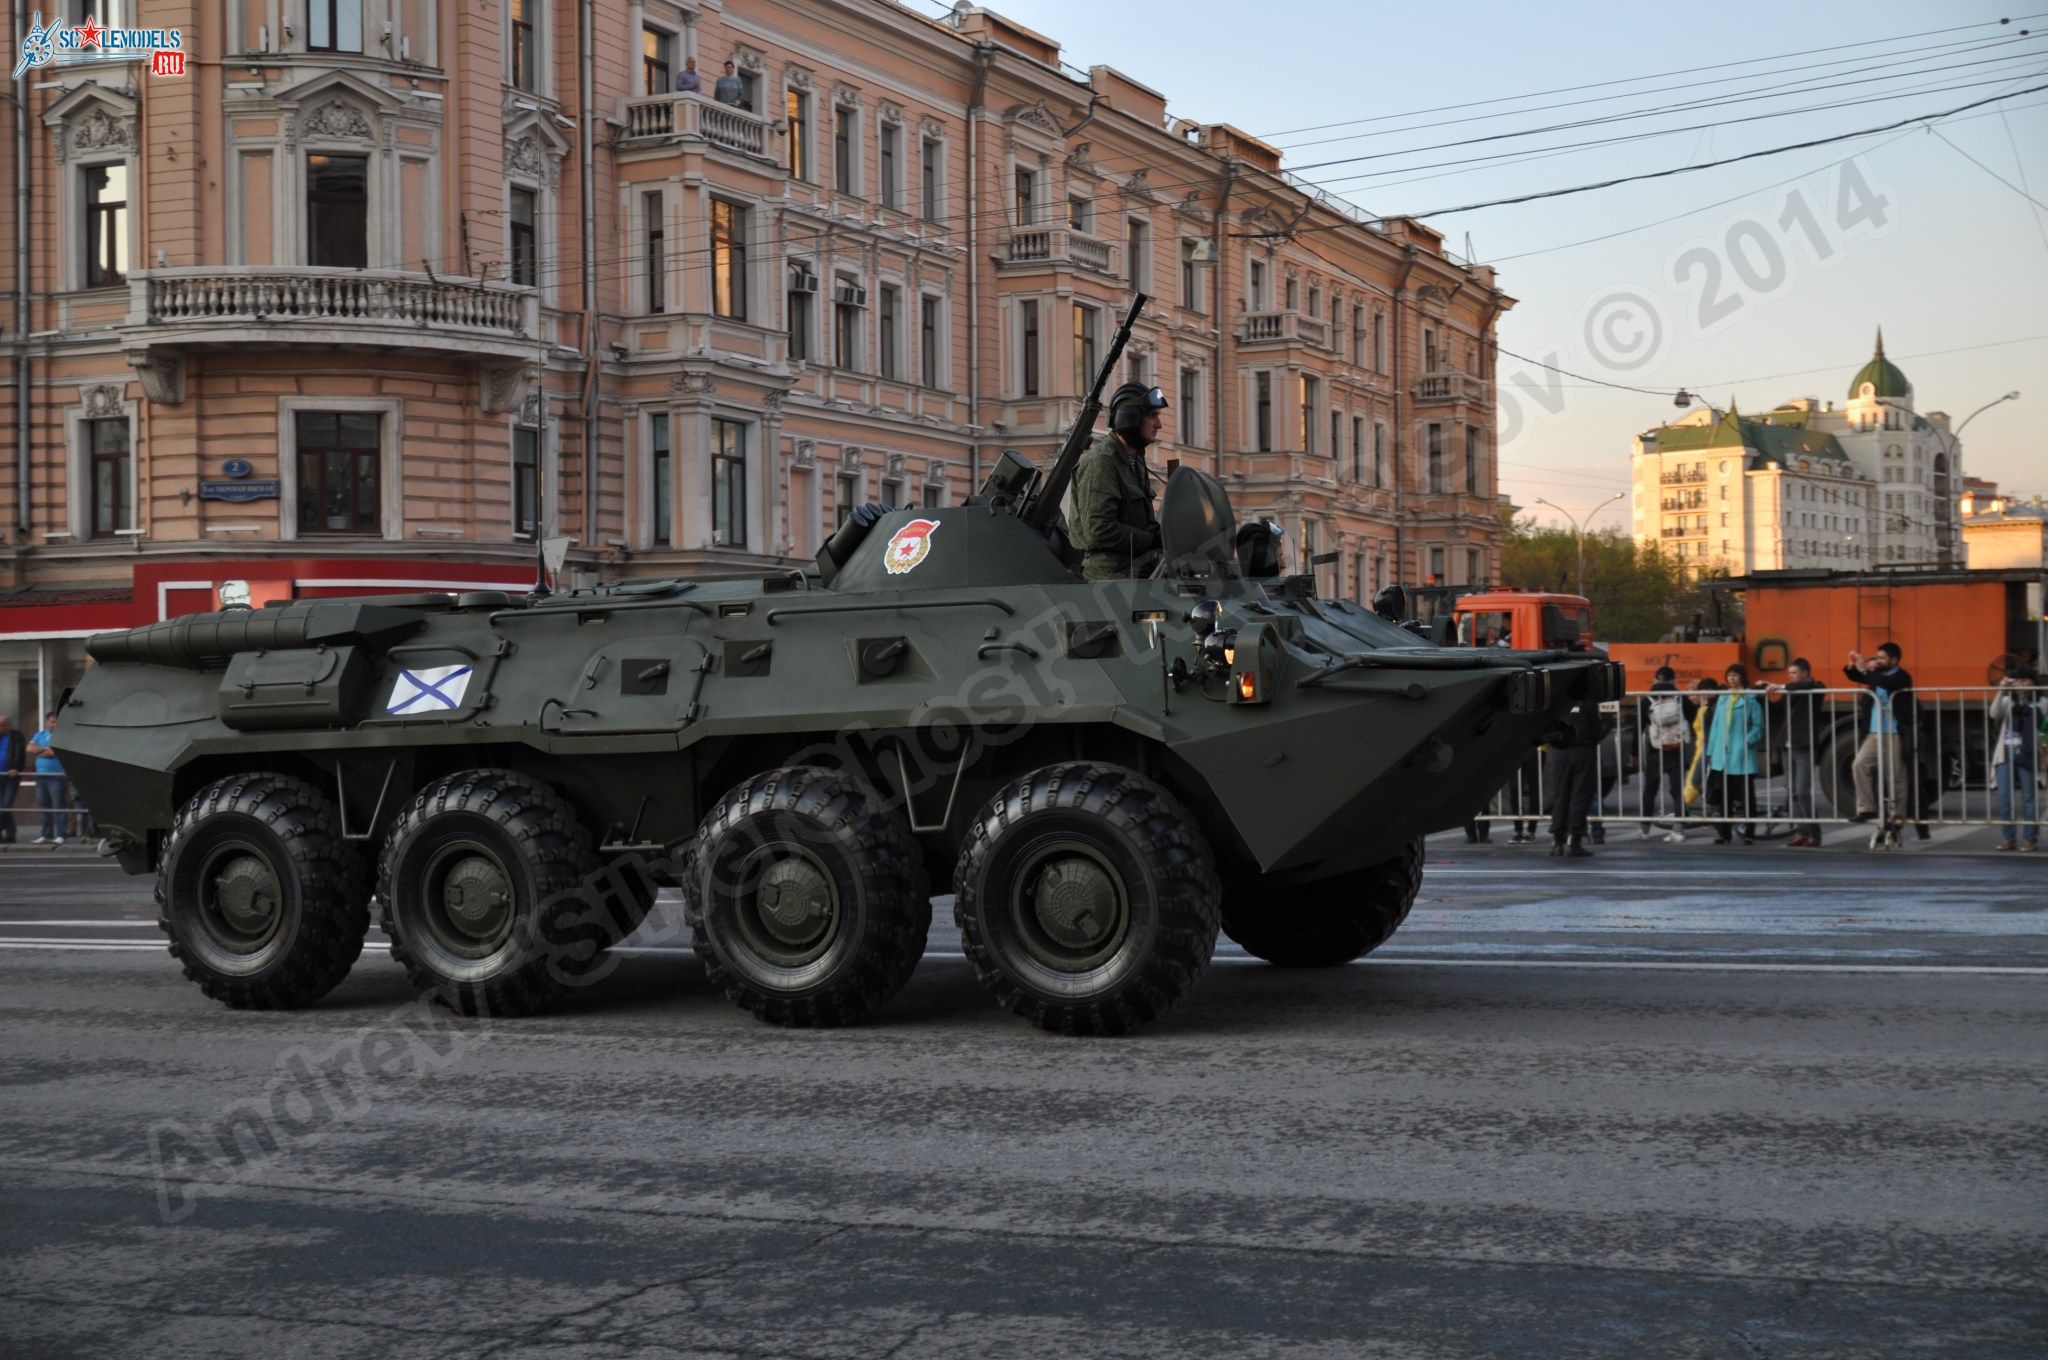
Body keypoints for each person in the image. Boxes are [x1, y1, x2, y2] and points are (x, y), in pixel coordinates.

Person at [1070, 382, 1167, 582]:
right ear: (1129, 417)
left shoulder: (1135, 460)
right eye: (1152, 416)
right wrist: (1153, 540)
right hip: (1111, 580)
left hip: (1139, 572)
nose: (1159, 425)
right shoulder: (1101, 461)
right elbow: (1100, 530)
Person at [1844, 642, 1914, 844]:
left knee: (1896, 777)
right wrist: (1853, 665)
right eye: (1877, 657)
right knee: (1859, 765)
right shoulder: (1877, 676)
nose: (1878, 660)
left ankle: (1897, 818)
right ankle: (1867, 808)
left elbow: (1886, 683)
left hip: (1894, 734)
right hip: (1874, 733)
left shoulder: (1902, 676)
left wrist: (1866, 669)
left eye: (1882, 658)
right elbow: (1856, 677)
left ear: (1894, 660)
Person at [1766, 658, 1827, 847]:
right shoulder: (1789, 690)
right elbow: (1777, 709)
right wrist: (1764, 694)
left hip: (1804, 745)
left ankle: (1814, 835)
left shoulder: (1815, 687)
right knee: (1792, 792)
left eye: (1794, 673)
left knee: (1802, 791)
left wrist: (1782, 686)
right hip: (1787, 745)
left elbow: (1808, 685)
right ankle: (1801, 831)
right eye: (1789, 673)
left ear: (1805, 673)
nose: (1790, 677)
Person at [1705, 664, 1765, 844]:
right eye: (1729, 675)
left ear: (1742, 677)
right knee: (1724, 797)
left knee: (1747, 797)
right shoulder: (1722, 699)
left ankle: (1749, 833)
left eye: (1735, 675)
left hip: (1742, 754)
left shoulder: (1750, 699)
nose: (1731, 678)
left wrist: (1747, 741)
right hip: (1721, 756)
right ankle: (1724, 834)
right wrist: (1711, 751)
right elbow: (1715, 726)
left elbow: (1758, 726)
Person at [1546, 698, 1608, 858]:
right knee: (1580, 797)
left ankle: (1557, 841)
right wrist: (1608, 723)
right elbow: (1596, 731)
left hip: (1559, 752)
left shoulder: (1554, 700)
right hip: (1583, 751)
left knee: (1560, 796)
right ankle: (1575, 841)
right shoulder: (1587, 702)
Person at [1989, 667, 2041, 851]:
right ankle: (2008, 837)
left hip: (2027, 752)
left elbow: (2039, 721)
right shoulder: (2007, 700)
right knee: (2004, 797)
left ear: (2034, 683)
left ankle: (2030, 838)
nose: (2022, 684)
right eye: (2018, 680)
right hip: (2005, 750)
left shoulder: (2041, 701)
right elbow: (1994, 713)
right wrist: (2002, 690)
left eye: (2026, 680)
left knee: (2029, 796)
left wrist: (2024, 698)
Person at [1637, 665, 1690, 841]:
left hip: (1655, 750)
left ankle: (1645, 829)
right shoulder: (1680, 698)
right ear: (1673, 680)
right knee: (1676, 791)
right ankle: (1679, 829)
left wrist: (1634, 752)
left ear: (1656, 679)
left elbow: (1639, 726)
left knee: (1650, 790)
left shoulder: (1647, 700)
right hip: (1676, 749)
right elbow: (1691, 716)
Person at [1681, 677, 1722, 837]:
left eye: (1693, 694)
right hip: (1702, 748)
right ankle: (1714, 813)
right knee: (1706, 782)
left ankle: (1683, 809)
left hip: (1705, 749)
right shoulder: (1702, 709)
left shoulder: (1706, 710)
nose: (1690, 697)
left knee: (1696, 780)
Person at [26, 710, 66, 845]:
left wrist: (39, 750)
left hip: (57, 775)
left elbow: (53, 752)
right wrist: (45, 749)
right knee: (44, 806)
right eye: (52, 721)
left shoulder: (62, 736)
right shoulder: (40, 734)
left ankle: (61, 835)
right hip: (41, 776)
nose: (55, 724)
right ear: (47, 722)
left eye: (57, 722)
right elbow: (29, 748)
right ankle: (46, 834)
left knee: (59, 806)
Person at [0, 714, 24, 844]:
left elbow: (19, 753)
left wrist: (15, 768)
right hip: (0, 775)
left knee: (6, 804)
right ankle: (10, 835)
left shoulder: (16, 736)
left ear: (7, 725)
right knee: (3, 806)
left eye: (1, 725)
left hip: (11, 776)